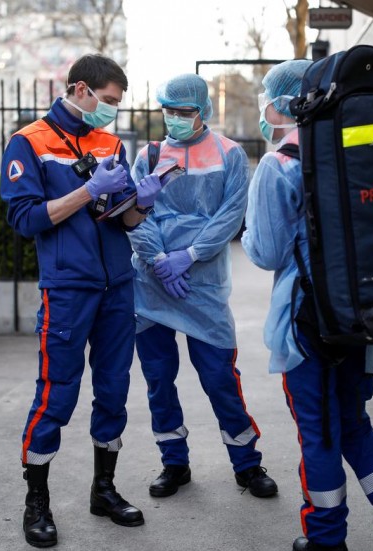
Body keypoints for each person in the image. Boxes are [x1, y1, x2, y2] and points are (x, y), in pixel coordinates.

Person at [242, 60, 373, 551]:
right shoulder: (355, 151)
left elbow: (265, 253)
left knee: (319, 435)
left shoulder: (279, 164)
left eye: (268, 100)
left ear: (285, 104)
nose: (265, 111)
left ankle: (328, 544)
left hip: (307, 326)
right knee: (353, 425)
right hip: (359, 318)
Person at [0, 54, 163, 548]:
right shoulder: (29, 143)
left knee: (113, 391)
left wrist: (142, 203)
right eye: (108, 101)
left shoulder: (110, 142)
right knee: (56, 395)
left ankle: (104, 489)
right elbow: (25, 219)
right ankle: (37, 502)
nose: (112, 111)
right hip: (68, 289)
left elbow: (123, 220)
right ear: (79, 89)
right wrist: (88, 188)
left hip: (117, 286)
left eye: (117, 103)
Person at [127, 73, 278, 499]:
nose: (174, 118)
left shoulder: (229, 154)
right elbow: (137, 214)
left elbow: (231, 214)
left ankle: (247, 464)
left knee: (219, 378)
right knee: (158, 379)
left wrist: (187, 257)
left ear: (203, 111)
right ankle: (173, 463)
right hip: (152, 285)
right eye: (168, 111)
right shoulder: (149, 155)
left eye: (184, 111)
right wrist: (158, 260)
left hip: (204, 283)